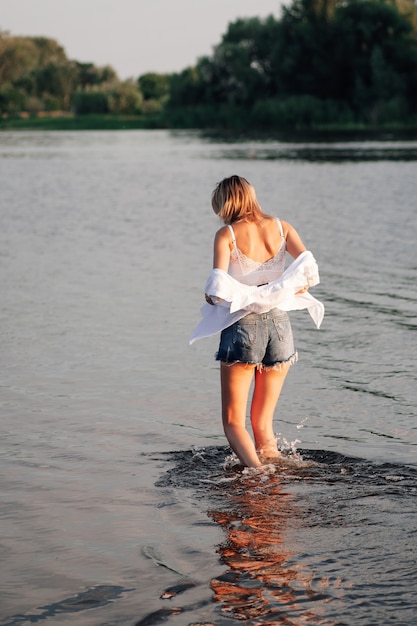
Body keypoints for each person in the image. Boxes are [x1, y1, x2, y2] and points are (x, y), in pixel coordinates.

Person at [205, 175, 312, 469]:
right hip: (280, 327)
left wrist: (209, 298)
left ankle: (257, 474)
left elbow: (217, 287)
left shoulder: (227, 234)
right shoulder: (282, 227)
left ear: (226, 203)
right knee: (263, 422)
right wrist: (292, 288)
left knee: (232, 421)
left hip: (243, 327)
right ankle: (275, 476)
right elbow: (308, 269)